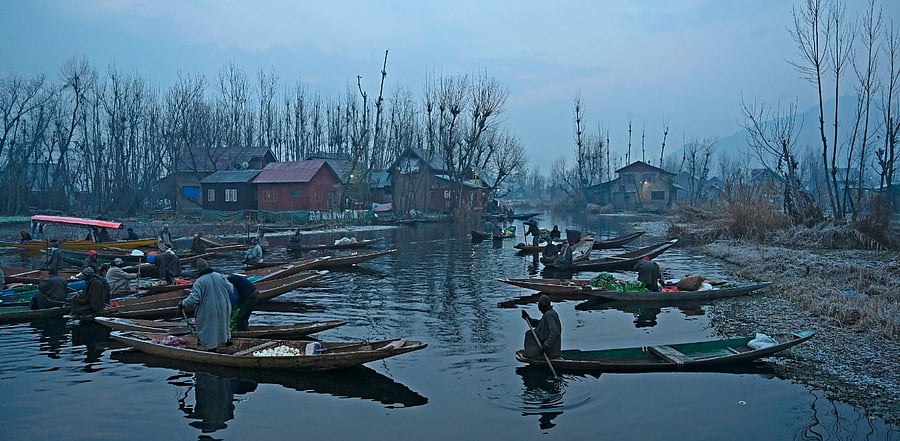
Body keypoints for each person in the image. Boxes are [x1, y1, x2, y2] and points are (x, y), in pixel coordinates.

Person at [178, 259, 232, 352]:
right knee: (223, 325)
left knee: (208, 329)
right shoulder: (220, 276)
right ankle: (226, 344)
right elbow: (231, 289)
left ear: (198, 270)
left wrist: (183, 303)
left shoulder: (199, 281)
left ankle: (212, 349)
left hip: (209, 309)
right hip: (224, 306)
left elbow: (195, 298)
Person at [521, 294, 562, 359]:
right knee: (530, 333)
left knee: (529, 334)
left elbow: (555, 332)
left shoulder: (549, 315)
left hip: (551, 352)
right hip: (553, 349)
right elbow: (540, 324)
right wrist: (529, 319)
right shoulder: (550, 313)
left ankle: (535, 355)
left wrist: (546, 346)